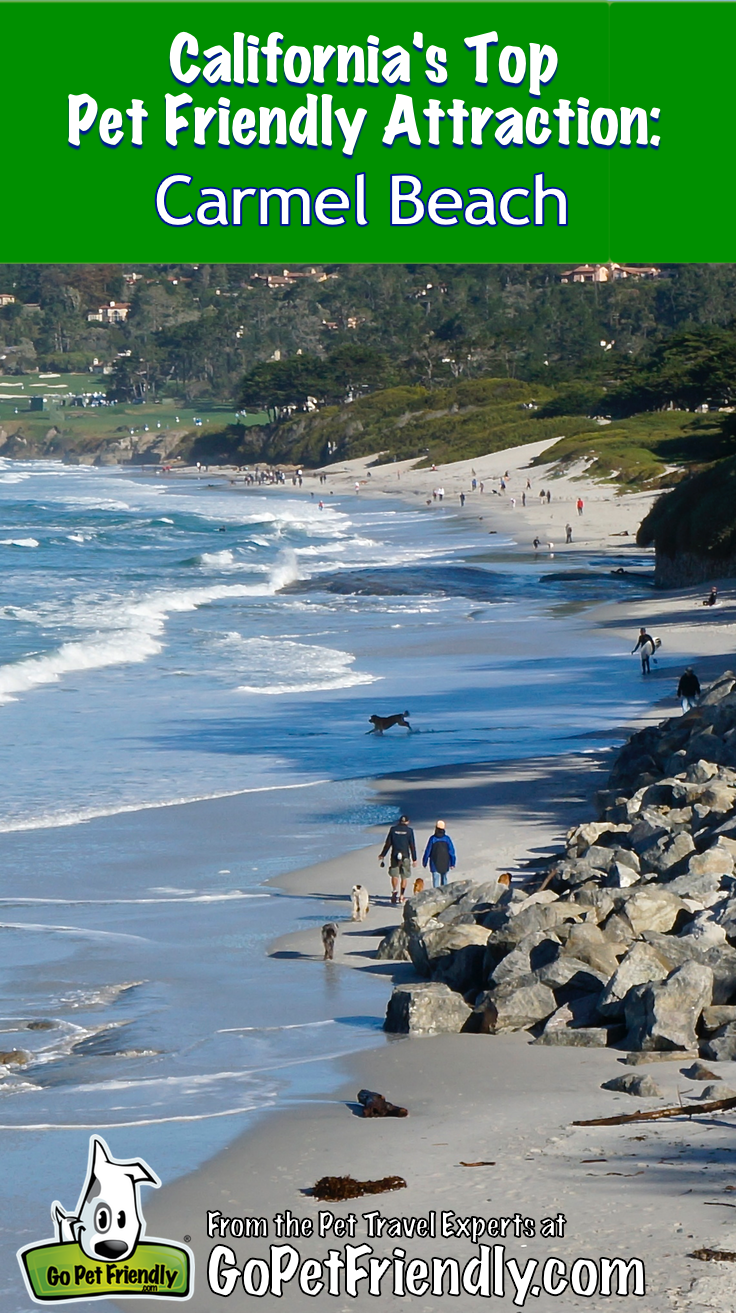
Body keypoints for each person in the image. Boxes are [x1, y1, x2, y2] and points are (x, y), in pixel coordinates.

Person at [379, 815, 417, 904]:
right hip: (405, 856)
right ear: (407, 822)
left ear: (399, 821)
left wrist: (383, 854)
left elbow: (388, 843)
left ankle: (394, 890)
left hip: (394, 855)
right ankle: (402, 896)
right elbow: (412, 846)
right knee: (404, 876)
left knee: (394, 875)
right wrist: (414, 859)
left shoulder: (393, 829)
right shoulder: (409, 831)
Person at [422, 821, 456, 888]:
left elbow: (427, 851)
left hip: (434, 864)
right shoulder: (447, 839)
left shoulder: (432, 839)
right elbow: (451, 851)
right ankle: (445, 896)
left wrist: (424, 861)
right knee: (445, 882)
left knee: (436, 884)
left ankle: (436, 897)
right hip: (445, 863)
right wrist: (453, 863)